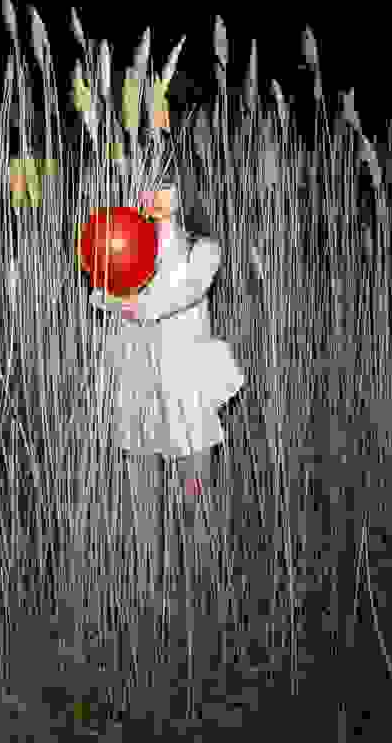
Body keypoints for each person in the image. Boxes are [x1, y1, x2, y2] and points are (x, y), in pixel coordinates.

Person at [90, 182, 245, 606]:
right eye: (147, 183)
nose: (152, 193)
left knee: (194, 490)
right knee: (143, 498)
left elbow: (184, 290)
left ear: (185, 193)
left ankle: (206, 595)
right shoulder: (124, 236)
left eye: (165, 186)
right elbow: (99, 285)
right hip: (137, 381)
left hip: (185, 385)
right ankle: (148, 594)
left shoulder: (203, 248)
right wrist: (112, 293)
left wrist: (132, 302)